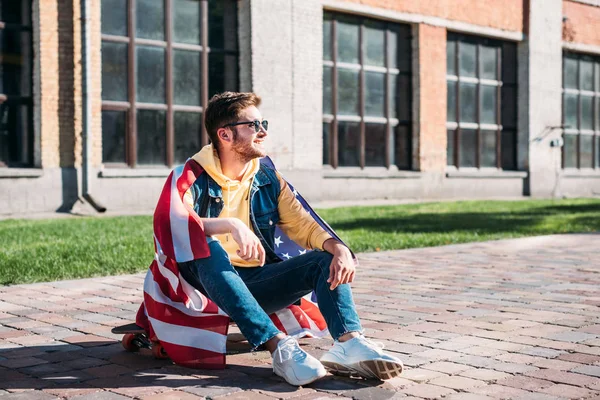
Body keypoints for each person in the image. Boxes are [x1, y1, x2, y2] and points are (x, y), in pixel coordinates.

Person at [177, 91, 403, 386]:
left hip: (254, 281)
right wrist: (229, 225)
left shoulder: (267, 177)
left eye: (264, 124)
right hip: (203, 288)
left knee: (324, 259)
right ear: (225, 134)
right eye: (254, 125)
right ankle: (279, 348)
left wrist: (338, 248)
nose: (263, 132)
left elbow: (303, 224)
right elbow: (176, 223)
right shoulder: (191, 175)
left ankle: (349, 343)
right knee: (207, 246)